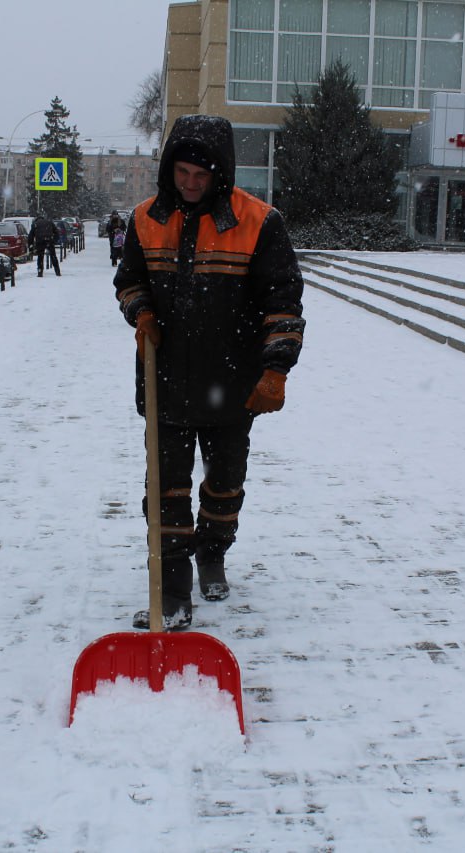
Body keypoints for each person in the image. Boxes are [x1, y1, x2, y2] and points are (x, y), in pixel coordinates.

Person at [114, 114, 305, 631]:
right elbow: (129, 281)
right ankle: (173, 592)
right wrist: (142, 312)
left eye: (201, 176)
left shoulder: (259, 222)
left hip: (233, 381)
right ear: (169, 169)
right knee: (165, 490)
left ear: (220, 173)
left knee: (224, 485)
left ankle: (213, 552)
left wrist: (276, 369)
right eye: (182, 173)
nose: (191, 184)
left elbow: (282, 301)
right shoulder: (145, 218)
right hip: (166, 381)